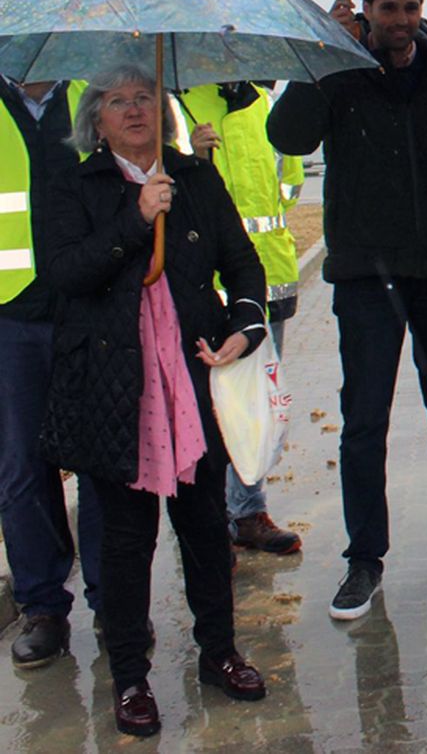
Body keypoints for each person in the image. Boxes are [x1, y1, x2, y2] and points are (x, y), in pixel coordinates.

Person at [268, 0, 427, 622]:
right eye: (387, 8)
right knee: (364, 421)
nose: (399, 19)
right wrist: (320, 56)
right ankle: (364, 559)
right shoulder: (338, 72)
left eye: (409, 7)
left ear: (420, 8)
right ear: (366, 9)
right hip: (367, 276)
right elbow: (287, 136)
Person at [38, 65, 270, 736]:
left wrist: (244, 330)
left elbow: (243, 263)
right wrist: (135, 218)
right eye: (117, 101)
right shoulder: (75, 184)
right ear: (97, 119)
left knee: (203, 528)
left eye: (144, 97)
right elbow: (65, 275)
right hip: (117, 388)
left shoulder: (192, 177)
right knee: (126, 539)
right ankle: (132, 676)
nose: (135, 109)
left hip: (192, 379)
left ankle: (219, 653)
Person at [0, 75, 101, 668]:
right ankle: (43, 607)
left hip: (90, 307)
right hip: (10, 315)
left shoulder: (96, 94)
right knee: (20, 468)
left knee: (103, 463)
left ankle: (114, 601)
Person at [179, 81, 303, 555]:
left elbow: (289, 187)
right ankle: (207, 526)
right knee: (208, 409)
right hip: (206, 284)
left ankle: (247, 512)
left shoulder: (266, 105)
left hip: (269, 274)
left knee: (253, 403)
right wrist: (195, 160)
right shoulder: (183, 107)